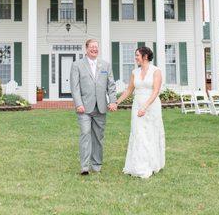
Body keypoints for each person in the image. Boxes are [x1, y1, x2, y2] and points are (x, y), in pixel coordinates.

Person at [69, 38, 117, 175]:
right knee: (85, 133)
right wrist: (78, 104)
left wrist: (112, 101)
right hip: (84, 108)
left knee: (98, 137)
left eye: (96, 47)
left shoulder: (105, 65)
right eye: (92, 47)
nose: (94, 49)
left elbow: (111, 85)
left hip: (101, 107)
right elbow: (75, 87)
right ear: (86, 48)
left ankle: (96, 165)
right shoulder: (77, 65)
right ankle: (84, 166)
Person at [117, 46, 165, 178]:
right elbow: (128, 90)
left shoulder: (156, 71)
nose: (135, 58)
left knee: (151, 133)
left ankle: (152, 164)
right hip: (137, 105)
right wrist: (117, 102)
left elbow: (155, 91)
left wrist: (145, 107)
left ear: (145, 56)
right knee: (138, 133)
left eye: (137, 55)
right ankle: (138, 165)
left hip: (151, 105)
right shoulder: (134, 72)